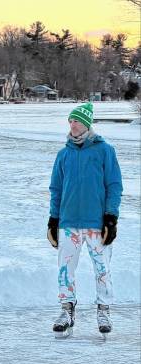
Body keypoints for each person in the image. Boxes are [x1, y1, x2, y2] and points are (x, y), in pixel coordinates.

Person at [47, 102, 123, 337]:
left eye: (77, 121)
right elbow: (56, 189)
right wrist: (53, 219)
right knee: (65, 269)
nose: (73, 124)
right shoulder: (64, 154)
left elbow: (114, 185)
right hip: (68, 223)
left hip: (96, 224)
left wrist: (111, 217)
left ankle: (103, 309)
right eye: (70, 121)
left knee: (102, 268)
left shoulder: (104, 151)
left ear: (87, 124)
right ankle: (67, 309)